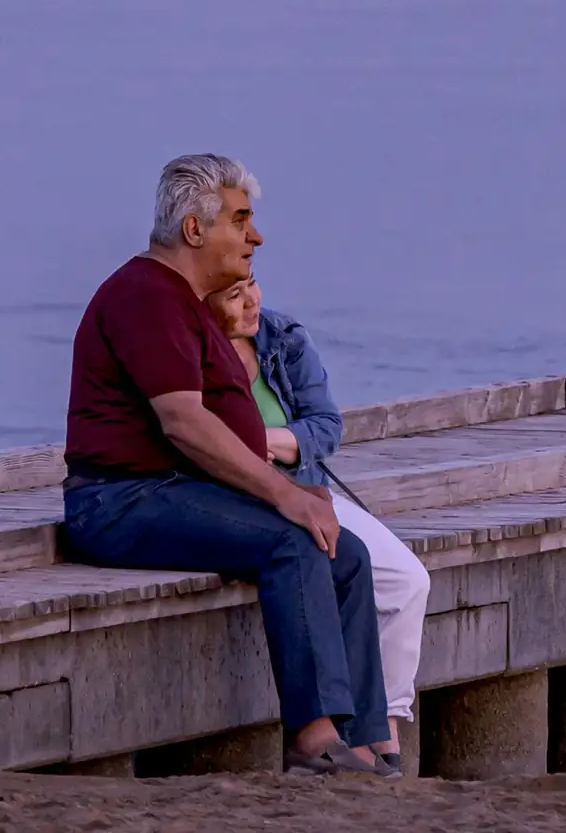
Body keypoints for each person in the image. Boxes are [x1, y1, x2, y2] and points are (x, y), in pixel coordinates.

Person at [61, 154, 391, 777]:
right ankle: (313, 741)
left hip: (173, 491)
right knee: (294, 538)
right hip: (120, 501)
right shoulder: (145, 295)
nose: (256, 236)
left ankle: (370, 744)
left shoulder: (191, 300)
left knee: (344, 552)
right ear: (194, 229)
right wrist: (282, 494)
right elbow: (183, 422)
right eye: (241, 220)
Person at [209, 276, 430, 773]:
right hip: (240, 498)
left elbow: (326, 425)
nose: (251, 301)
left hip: (306, 485)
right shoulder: (192, 351)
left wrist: (261, 440)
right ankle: (339, 737)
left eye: (252, 285)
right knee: (333, 562)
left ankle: (386, 725)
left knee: (409, 580)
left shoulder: (282, 336)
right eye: (233, 295)